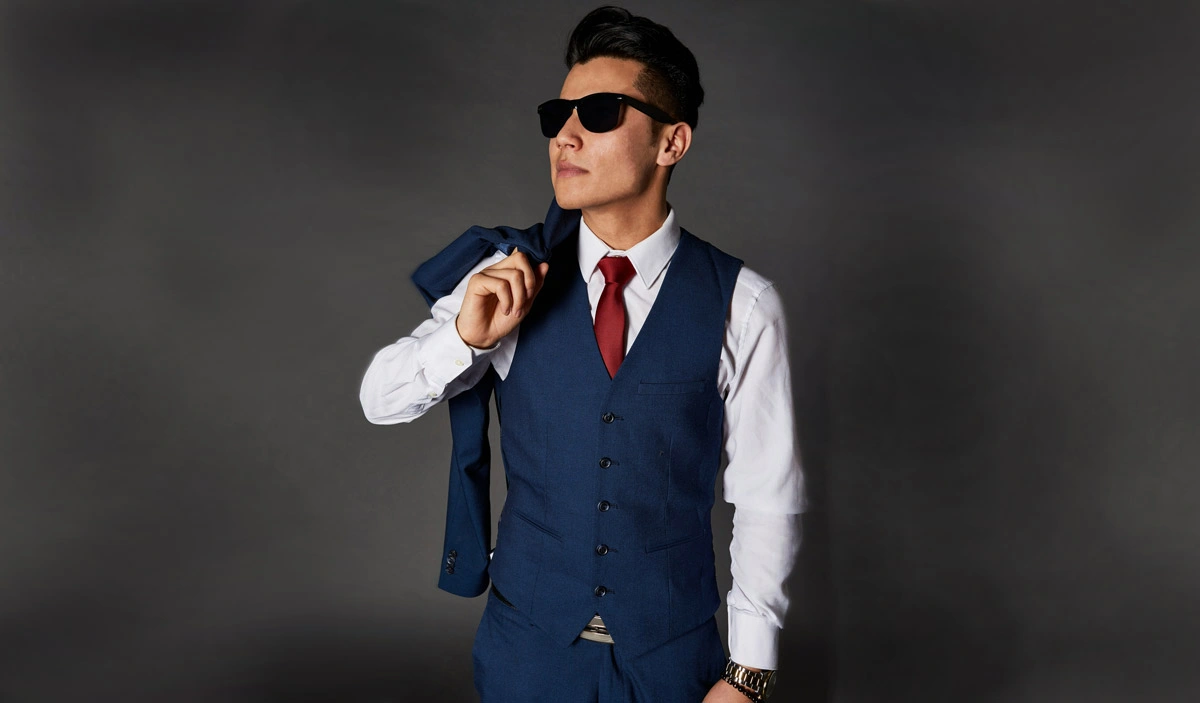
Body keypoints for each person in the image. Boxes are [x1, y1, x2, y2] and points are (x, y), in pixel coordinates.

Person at [359, 6, 805, 702]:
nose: (565, 136)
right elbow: (378, 401)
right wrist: (464, 339)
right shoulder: (511, 277)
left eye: (599, 113)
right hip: (527, 657)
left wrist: (748, 675)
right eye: (556, 116)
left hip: (673, 664)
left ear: (671, 142)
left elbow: (766, 495)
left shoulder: (743, 303)